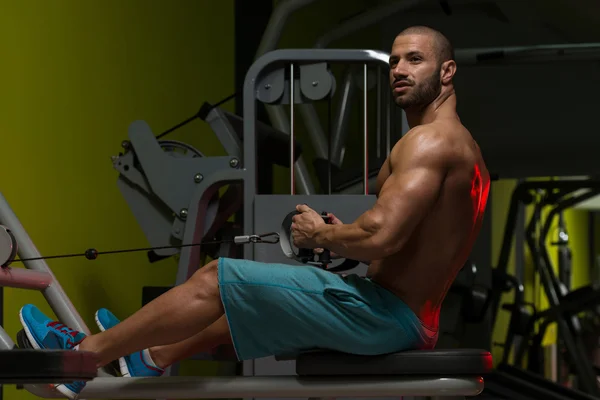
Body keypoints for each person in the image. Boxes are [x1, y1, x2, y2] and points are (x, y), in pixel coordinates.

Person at [18, 25, 490, 399]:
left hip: (386, 316)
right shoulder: (464, 149)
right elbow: (405, 238)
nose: (399, 70)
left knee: (218, 276)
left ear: (446, 72)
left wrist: (321, 235)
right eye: (394, 61)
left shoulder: (429, 142)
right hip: (401, 315)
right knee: (251, 297)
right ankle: (150, 355)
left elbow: (382, 236)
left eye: (415, 59)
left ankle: (79, 360)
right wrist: (339, 230)